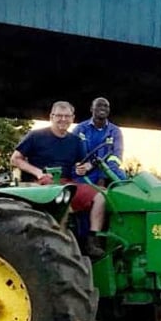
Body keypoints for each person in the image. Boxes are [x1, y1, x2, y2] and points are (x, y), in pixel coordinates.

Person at [10, 101, 107, 258]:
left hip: (65, 182)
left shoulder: (75, 141)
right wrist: (38, 172)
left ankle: (92, 240)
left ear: (72, 118)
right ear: (51, 117)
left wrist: (84, 168)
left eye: (67, 116)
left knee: (101, 195)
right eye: (59, 116)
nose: (63, 119)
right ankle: (59, 248)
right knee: (64, 197)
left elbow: (81, 164)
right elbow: (15, 159)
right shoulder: (36, 136)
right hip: (39, 183)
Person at [71, 97, 127, 185]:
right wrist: (78, 167)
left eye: (106, 106)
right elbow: (71, 153)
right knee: (75, 189)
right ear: (91, 109)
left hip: (110, 172)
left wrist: (103, 175)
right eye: (99, 105)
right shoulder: (80, 129)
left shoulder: (115, 131)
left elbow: (117, 156)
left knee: (126, 186)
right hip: (85, 173)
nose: (103, 108)